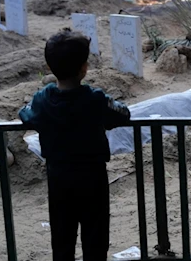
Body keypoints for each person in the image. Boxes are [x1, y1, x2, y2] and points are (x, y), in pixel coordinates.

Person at [19, 28, 131, 261]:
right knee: (96, 237)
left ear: (50, 68)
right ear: (84, 68)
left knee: (62, 239)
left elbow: (26, 114)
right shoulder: (94, 99)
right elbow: (122, 113)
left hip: (58, 177)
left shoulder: (42, 99)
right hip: (93, 177)